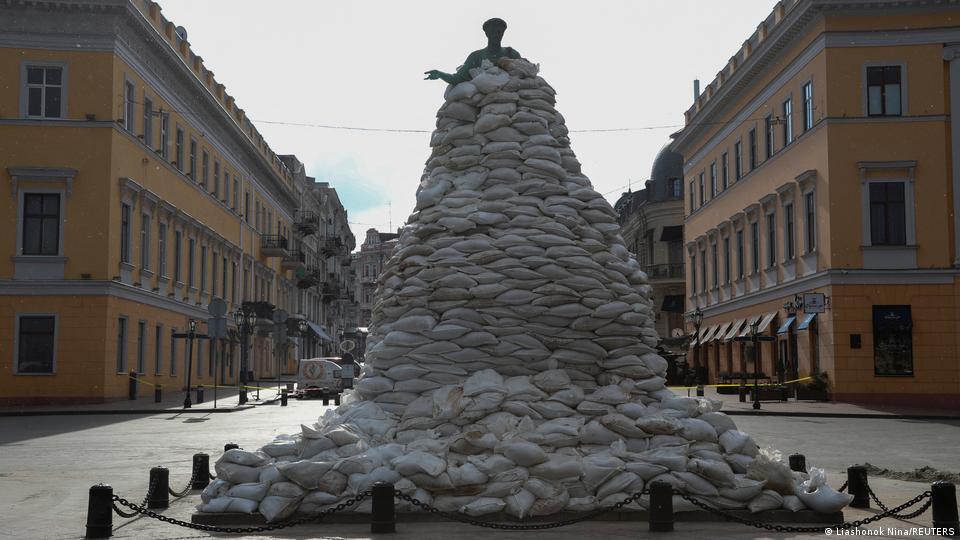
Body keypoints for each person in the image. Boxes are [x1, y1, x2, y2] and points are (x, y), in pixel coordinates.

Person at [424, 18, 522, 86]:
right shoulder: (476, 56)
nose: (496, 35)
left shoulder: (511, 53)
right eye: (493, 32)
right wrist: (440, 74)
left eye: (499, 32)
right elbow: (458, 78)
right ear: (487, 33)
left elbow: (525, 72)